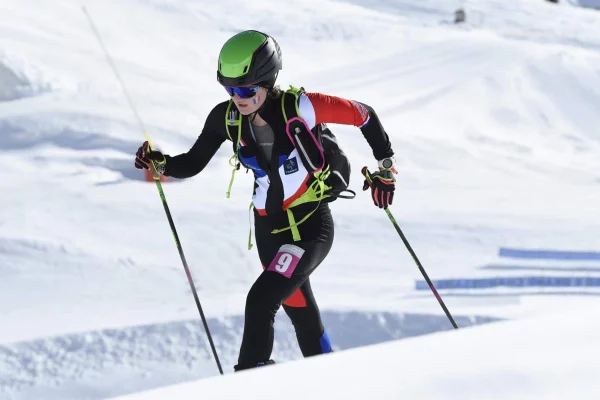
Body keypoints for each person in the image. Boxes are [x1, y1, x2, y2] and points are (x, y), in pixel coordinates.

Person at [134, 29, 397, 372]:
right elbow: (193, 163)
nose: (237, 97)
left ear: (267, 80)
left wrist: (386, 169)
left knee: (260, 302)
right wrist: (162, 163)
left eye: (245, 89)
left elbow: (364, 114)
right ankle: (331, 380)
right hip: (268, 233)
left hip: (309, 228)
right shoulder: (226, 117)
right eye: (229, 89)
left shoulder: (301, 107)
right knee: (302, 316)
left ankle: (249, 382)